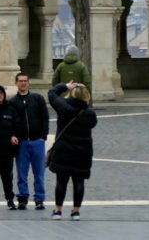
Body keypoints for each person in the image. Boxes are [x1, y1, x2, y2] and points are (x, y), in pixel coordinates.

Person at [48, 81, 97, 220]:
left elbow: (52, 93)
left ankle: (58, 211)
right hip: (83, 152)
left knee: (61, 181)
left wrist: (65, 86)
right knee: (79, 182)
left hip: (64, 150)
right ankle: (76, 211)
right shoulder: (90, 114)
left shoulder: (64, 108)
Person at [11, 72, 49, 210]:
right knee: (22, 174)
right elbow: (10, 122)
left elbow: (45, 117)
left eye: (25, 81)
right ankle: (22, 198)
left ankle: (39, 199)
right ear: (16, 83)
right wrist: (13, 135)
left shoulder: (37, 98)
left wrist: (43, 136)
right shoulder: (13, 102)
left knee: (39, 174)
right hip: (21, 143)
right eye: (20, 81)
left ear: (28, 83)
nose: (23, 83)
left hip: (37, 141)